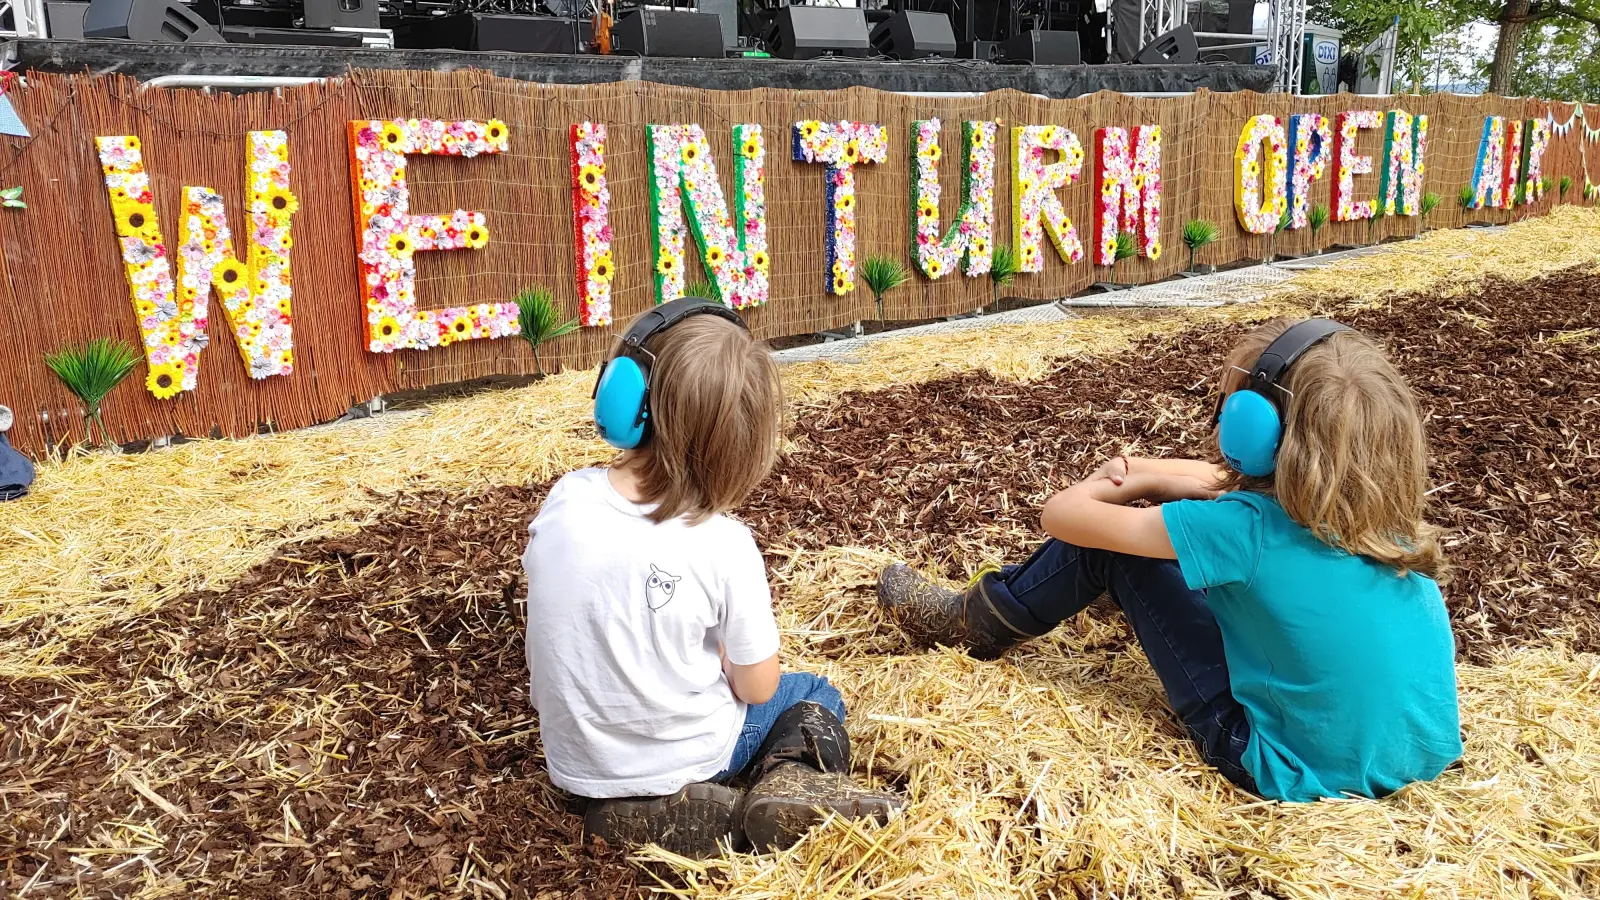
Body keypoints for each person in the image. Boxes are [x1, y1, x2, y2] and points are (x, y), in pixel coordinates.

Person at [876, 318, 1463, 802]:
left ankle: (974, 620)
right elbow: (1222, 484)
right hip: (1418, 756)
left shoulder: (1242, 529)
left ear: (1255, 434)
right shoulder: (1378, 512)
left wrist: (1121, 483)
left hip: (1288, 768)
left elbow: (1062, 514)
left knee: (1111, 551)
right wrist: (1157, 473)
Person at [524, 298, 899, 858]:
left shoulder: (565, 500)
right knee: (812, 694)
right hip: (692, 752)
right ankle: (788, 782)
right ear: (742, 446)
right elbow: (758, 688)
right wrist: (726, 655)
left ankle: (627, 813)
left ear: (625, 395)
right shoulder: (725, 544)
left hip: (579, 766)